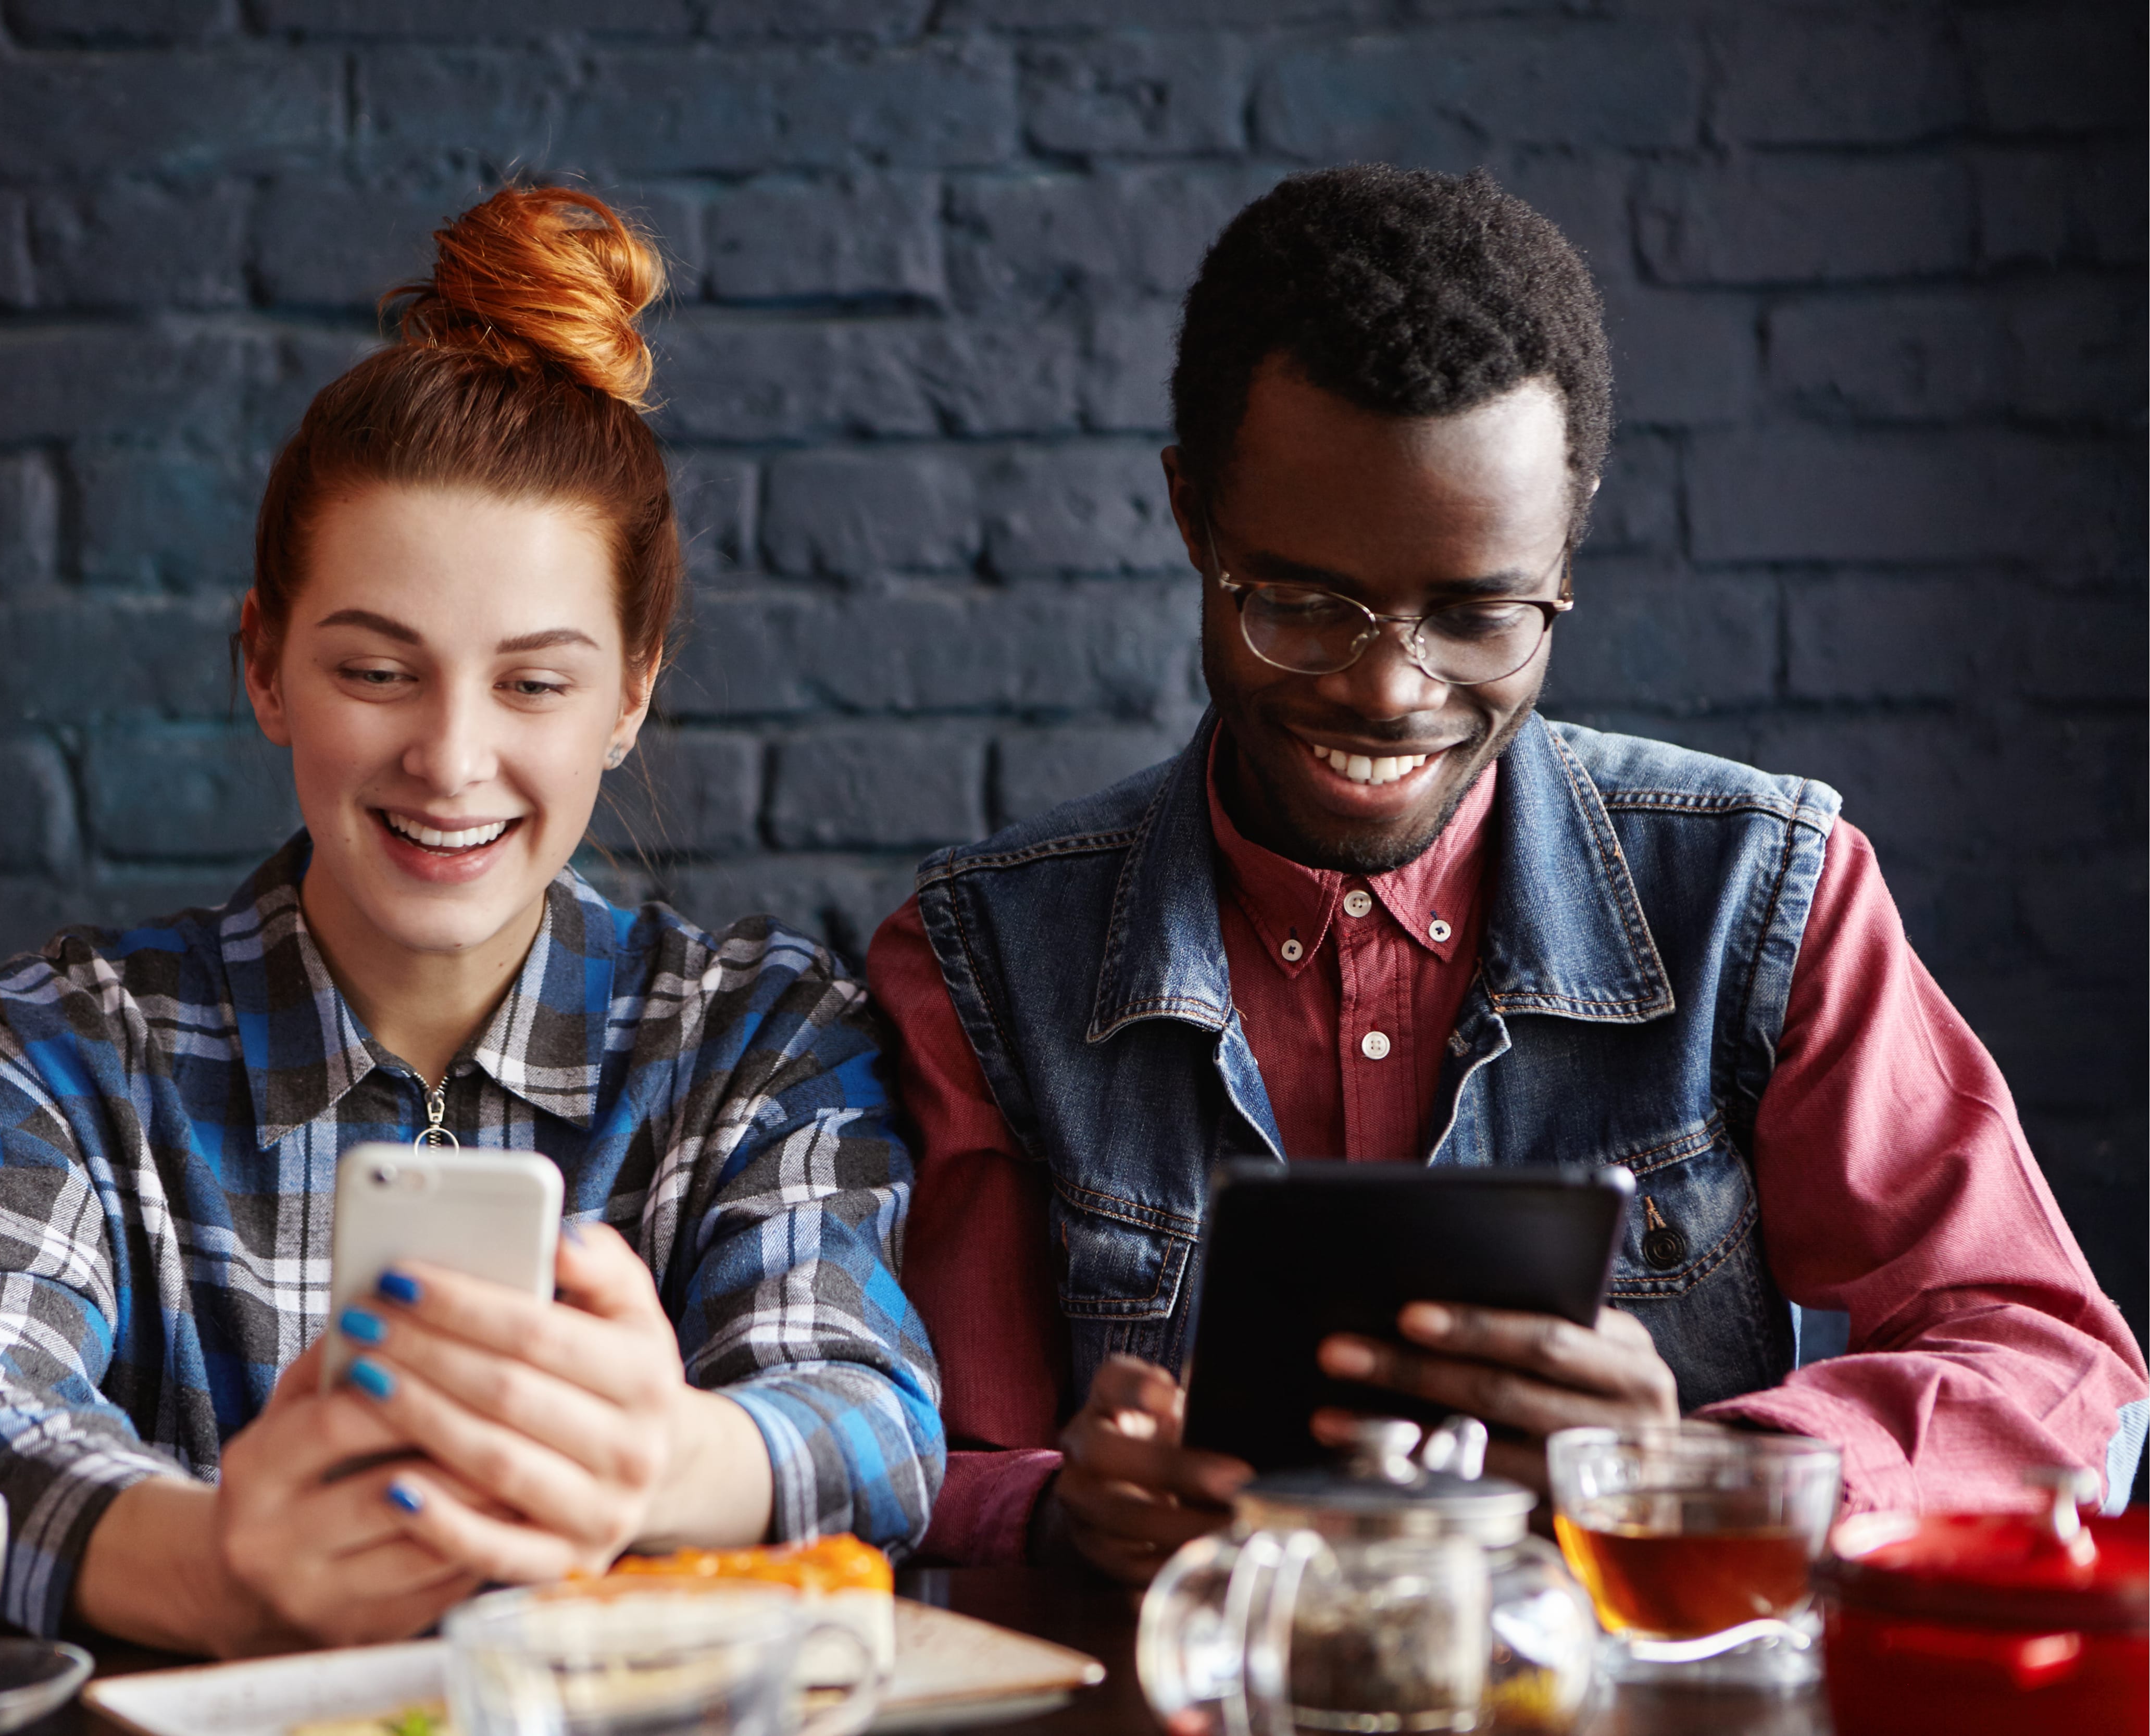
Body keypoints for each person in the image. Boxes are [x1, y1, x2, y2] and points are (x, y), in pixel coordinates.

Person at [865, 165, 2148, 1581]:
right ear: (1193, 521)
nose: (1388, 692)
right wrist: (1060, 1511)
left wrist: (1705, 1474)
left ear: (1567, 546)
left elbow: (2058, 1376)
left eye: (1479, 616)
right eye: (1299, 603)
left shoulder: (1761, 899)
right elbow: (920, 1470)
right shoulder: (981, 960)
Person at [0, 186, 942, 1652]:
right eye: (376, 672)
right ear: (266, 666)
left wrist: (662, 1455)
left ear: (632, 694)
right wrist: (218, 1564)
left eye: (535, 683)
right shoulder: (71, 1047)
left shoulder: (757, 1040)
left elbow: (873, 1421)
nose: (454, 761)